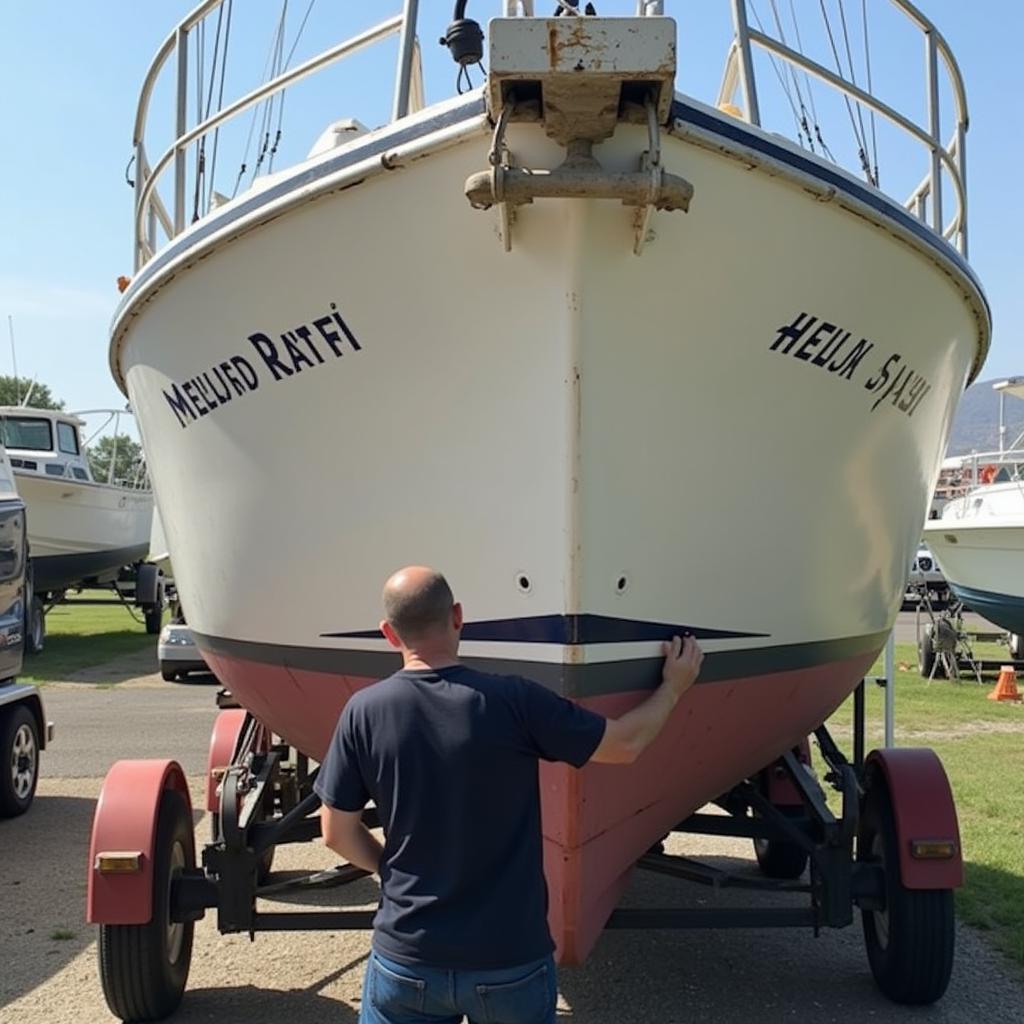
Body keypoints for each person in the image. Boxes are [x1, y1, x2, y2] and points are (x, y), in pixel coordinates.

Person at [316, 566, 703, 1024]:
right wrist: (673, 687)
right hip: (509, 958)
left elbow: (336, 834)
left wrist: (393, 870)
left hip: (409, 955)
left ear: (388, 633)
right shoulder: (513, 701)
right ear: (458, 616)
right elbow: (624, 745)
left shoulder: (363, 712)